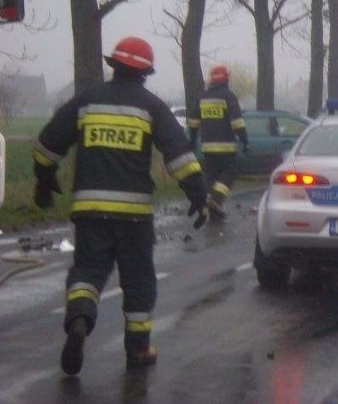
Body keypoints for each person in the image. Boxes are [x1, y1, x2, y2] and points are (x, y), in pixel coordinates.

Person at [32, 36, 209, 376]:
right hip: (134, 217)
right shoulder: (152, 107)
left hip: (90, 212)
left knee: (87, 273)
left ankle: (80, 320)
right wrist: (198, 197)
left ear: (114, 66)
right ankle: (138, 350)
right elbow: (180, 156)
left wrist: (45, 179)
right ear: (145, 73)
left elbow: (46, 145)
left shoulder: (86, 102)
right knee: (139, 280)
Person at [187, 65, 249, 220]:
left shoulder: (202, 97)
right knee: (230, 172)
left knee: (211, 176)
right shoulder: (229, 97)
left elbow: (193, 122)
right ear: (226, 78)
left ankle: (213, 210)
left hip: (207, 146)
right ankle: (216, 199)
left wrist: (193, 141)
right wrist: (244, 140)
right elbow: (237, 122)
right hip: (226, 146)